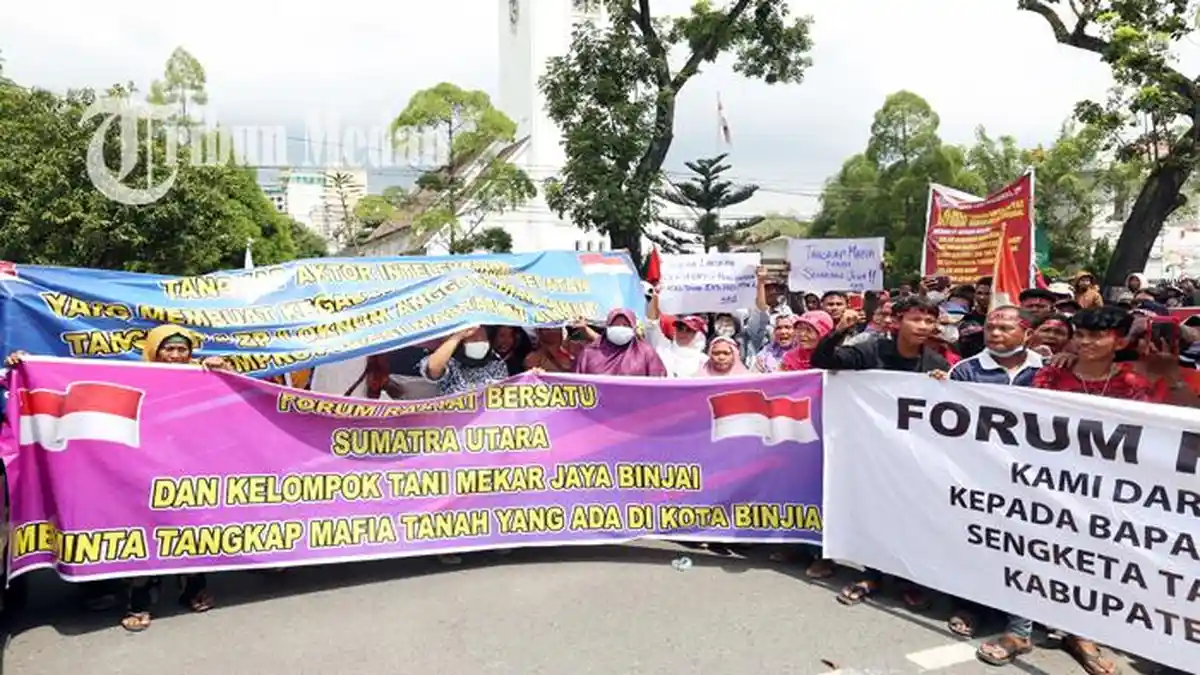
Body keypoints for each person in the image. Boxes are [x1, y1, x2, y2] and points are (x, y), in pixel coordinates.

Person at [977, 307, 1147, 673]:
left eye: (1097, 336)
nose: (1087, 343)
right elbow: (1030, 417)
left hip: (1105, 489)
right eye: (1081, 335)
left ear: (1119, 340)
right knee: (1030, 550)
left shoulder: (1136, 382)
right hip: (1046, 483)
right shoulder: (1052, 373)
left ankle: (1080, 632)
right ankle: (1019, 630)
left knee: (1089, 560)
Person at [812, 296, 948, 607]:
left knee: (911, 517)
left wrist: (943, 387)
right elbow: (823, 361)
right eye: (916, 319)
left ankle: (908, 579)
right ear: (897, 321)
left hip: (913, 456)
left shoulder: (936, 364)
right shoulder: (870, 350)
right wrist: (838, 332)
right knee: (874, 512)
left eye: (929, 321)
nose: (923, 326)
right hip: (871, 452)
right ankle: (871, 574)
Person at [129, 325, 228, 631]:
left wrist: (224, 369)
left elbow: (240, 399)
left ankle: (193, 590)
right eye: (167, 349)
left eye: (182, 349)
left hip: (188, 470)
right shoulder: (129, 378)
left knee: (192, 529)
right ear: (154, 351)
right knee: (146, 534)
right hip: (142, 468)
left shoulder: (201, 378)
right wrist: (24, 364)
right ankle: (140, 602)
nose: (175, 356)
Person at [421, 326, 511, 397]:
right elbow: (433, 368)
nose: (479, 341)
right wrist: (457, 336)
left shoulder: (497, 365)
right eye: (474, 339)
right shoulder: (450, 363)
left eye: (483, 338)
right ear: (461, 343)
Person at [574, 309, 667, 377]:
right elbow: (576, 386)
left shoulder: (646, 354)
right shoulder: (589, 354)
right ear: (607, 327)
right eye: (616, 324)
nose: (620, 328)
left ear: (633, 328)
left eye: (625, 325)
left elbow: (659, 386)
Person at [524, 320, 596, 373]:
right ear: (539, 332)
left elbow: (603, 346)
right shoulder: (534, 358)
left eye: (556, 326)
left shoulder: (576, 347)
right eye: (548, 328)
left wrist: (584, 329)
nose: (553, 330)